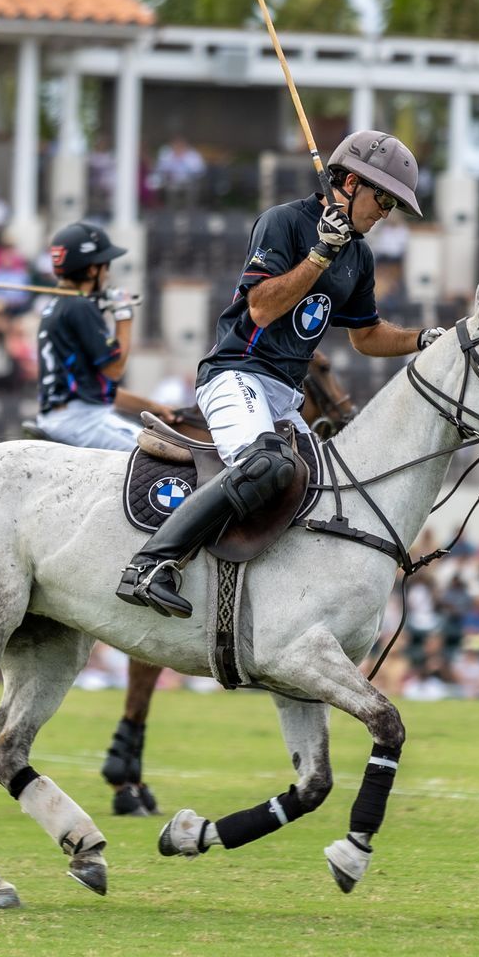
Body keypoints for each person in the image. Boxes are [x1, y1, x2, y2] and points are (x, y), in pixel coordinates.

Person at [117, 130, 438, 618]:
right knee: (269, 465)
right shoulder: (284, 223)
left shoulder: (359, 255)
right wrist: (318, 256)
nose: (385, 213)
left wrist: (422, 340)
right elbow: (262, 308)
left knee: (323, 491)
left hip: (285, 394)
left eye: (394, 205)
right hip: (235, 373)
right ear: (350, 182)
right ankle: (152, 564)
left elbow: (366, 335)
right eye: (383, 199)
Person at [34, 222, 141, 451]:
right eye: (105, 266)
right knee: (161, 456)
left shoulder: (58, 305)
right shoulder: (79, 306)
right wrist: (124, 313)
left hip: (62, 417)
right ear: (92, 270)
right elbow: (114, 370)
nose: (108, 273)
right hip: (82, 420)